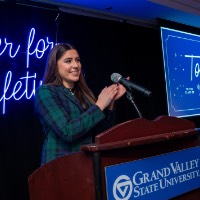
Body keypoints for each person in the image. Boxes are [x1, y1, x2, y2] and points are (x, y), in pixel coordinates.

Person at [34, 43, 127, 165]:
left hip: (86, 166)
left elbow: (102, 134)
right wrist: (99, 104)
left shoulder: (84, 94)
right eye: (68, 61)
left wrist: (110, 102)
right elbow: (68, 131)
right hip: (60, 168)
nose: (76, 65)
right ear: (55, 65)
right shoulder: (46, 92)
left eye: (77, 60)